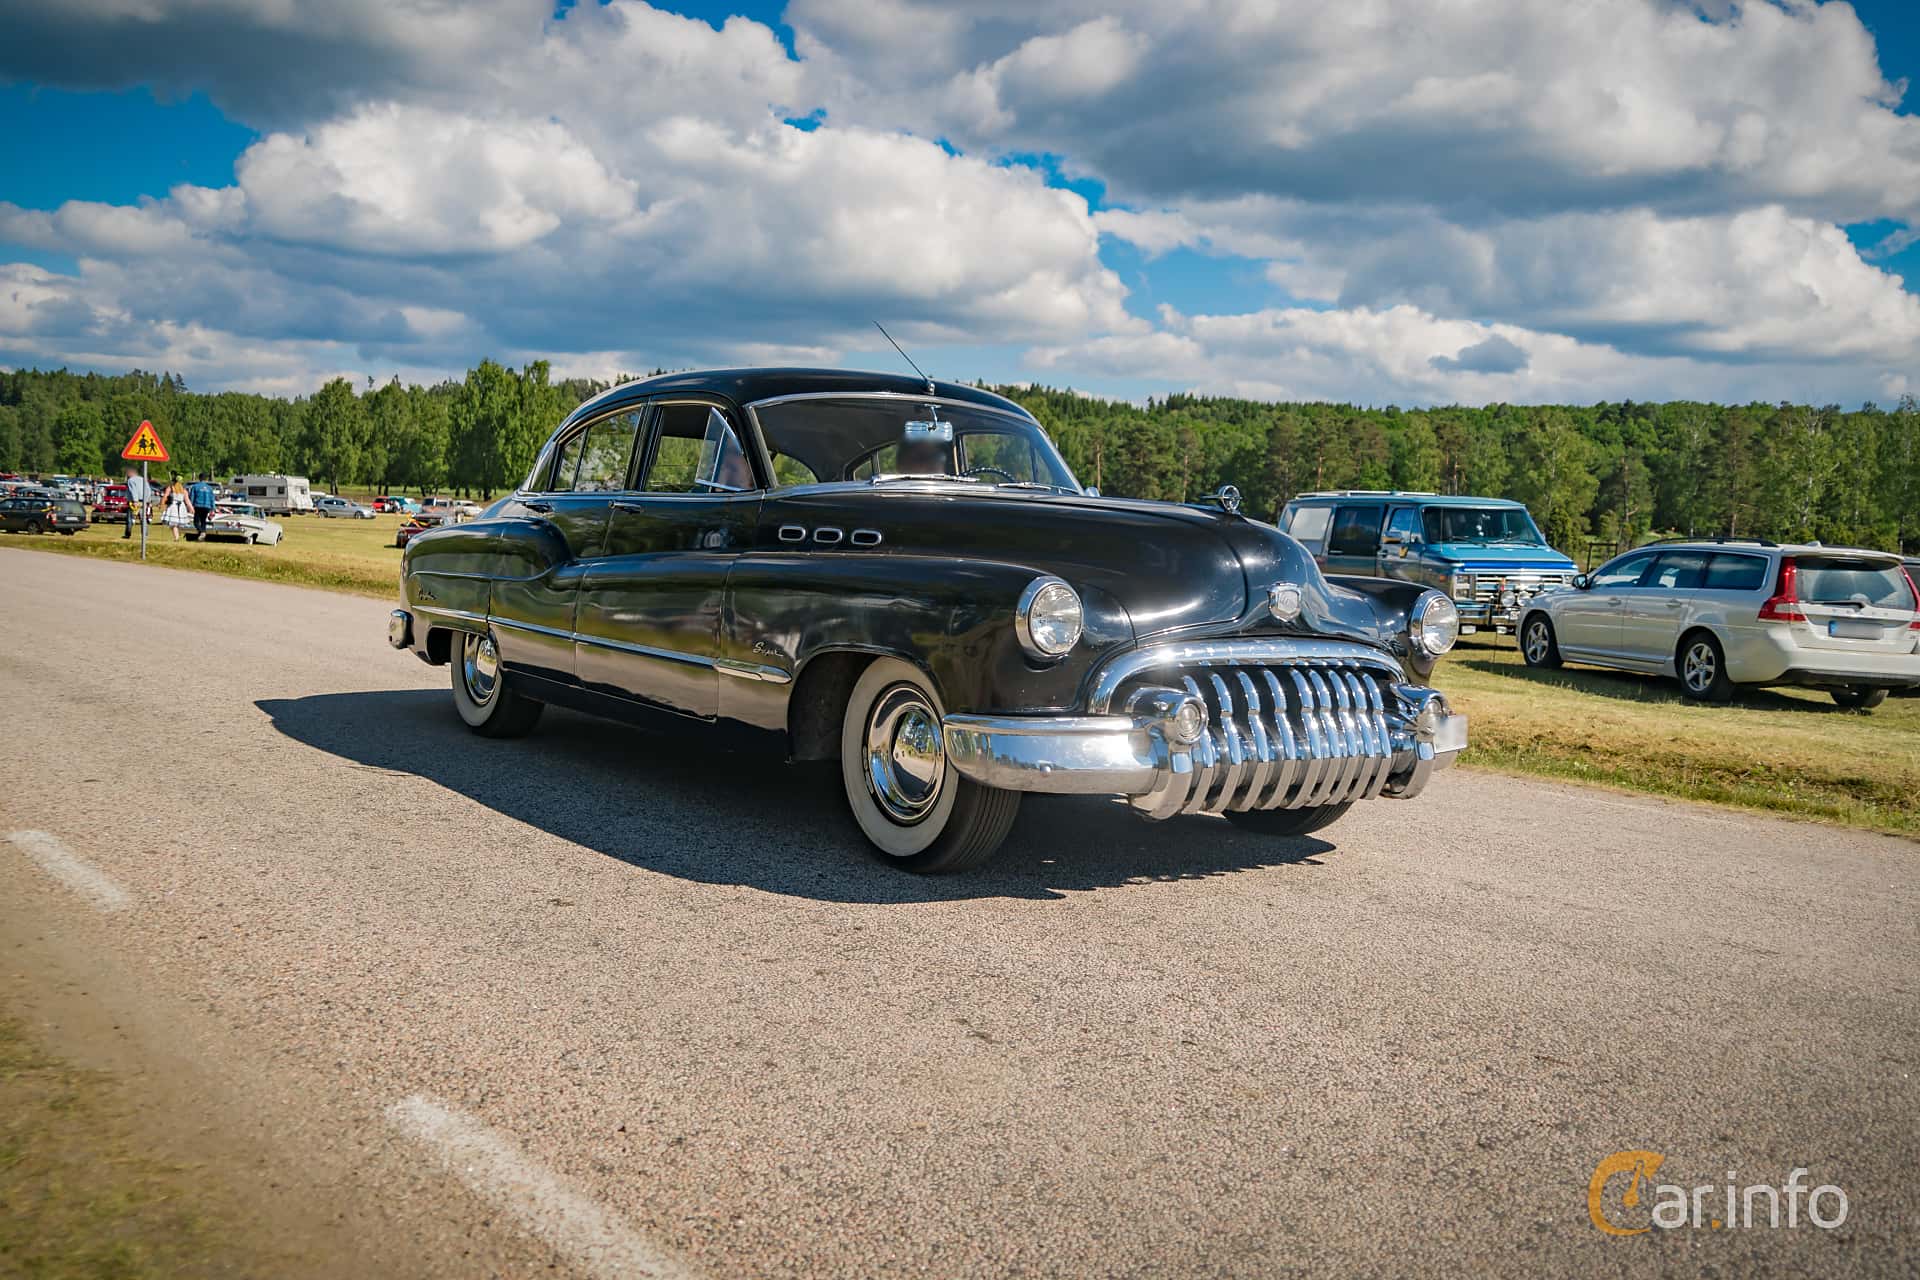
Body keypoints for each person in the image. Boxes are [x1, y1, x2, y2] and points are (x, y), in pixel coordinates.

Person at [187, 472, 219, 540]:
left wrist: (190, 506)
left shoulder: (195, 486)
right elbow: (212, 499)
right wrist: (213, 508)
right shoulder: (209, 488)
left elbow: (192, 497)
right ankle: (202, 536)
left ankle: (202, 532)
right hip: (207, 506)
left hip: (198, 505)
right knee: (203, 521)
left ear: (199, 478)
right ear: (206, 479)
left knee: (196, 522)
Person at [122, 468, 151, 539]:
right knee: (143, 519)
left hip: (134, 501)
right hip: (143, 501)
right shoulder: (143, 479)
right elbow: (148, 490)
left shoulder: (131, 480)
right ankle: (145, 535)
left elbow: (133, 490)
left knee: (130, 518)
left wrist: (135, 501)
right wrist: (148, 500)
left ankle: (127, 534)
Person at [160, 475, 192, 540]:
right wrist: (191, 508)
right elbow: (187, 500)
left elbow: (165, 496)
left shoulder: (170, 488)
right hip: (181, 506)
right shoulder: (183, 490)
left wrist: (162, 504)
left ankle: (176, 537)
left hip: (173, 506)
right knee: (177, 523)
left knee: (173, 523)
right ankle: (177, 535)